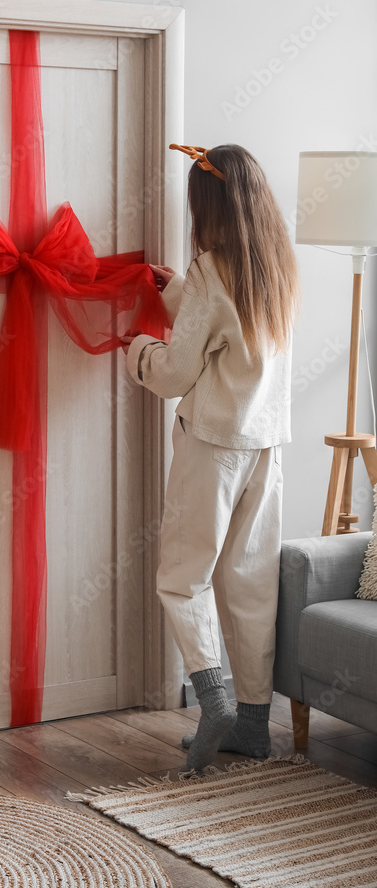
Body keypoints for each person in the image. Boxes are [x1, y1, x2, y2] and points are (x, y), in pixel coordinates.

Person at [122, 143, 300, 773]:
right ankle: (252, 723)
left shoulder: (210, 272)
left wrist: (139, 349)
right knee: (250, 584)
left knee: (182, 575)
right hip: (267, 448)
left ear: (211, 207)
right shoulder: (275, 267)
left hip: (214, 449)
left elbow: (175, 372)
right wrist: (181, 297)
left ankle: (213, 699)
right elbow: (232, 338)